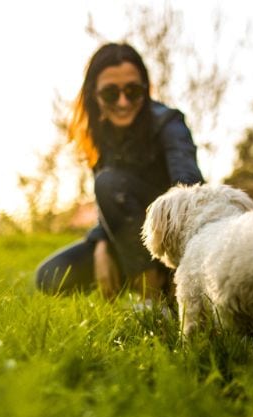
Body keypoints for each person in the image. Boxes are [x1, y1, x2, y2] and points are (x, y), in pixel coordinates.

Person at [35, 43, 204, 297]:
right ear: (94, 94)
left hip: (174, 240)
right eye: (111, 93)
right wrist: (101, 244)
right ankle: (142, 281)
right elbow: (110, 207)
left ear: (145, 89)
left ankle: (153, 296)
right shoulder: (98, 134)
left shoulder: (169, 122)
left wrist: (176, 254)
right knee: (50, 275)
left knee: (108, 183)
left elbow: (189, 187)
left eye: (133, 91)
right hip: (127, 241)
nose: (123, 102)